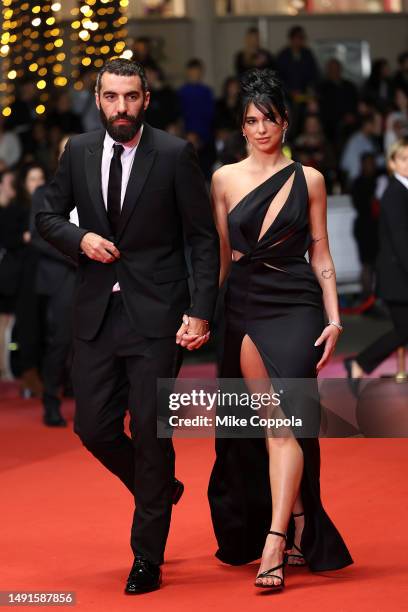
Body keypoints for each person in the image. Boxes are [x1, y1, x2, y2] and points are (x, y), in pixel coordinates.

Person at [36, 58, 219, 594]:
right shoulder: (78, 153)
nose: (122, 107)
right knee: (92, 428)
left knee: (150, 434)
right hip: (95, 312)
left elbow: (203, 240)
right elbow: (45, 216)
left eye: (131, 97)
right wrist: (80, 240)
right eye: (112, 97)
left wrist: (201, 309)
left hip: (158, 318)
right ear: (98, 99)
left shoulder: (174, 154)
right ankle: (158, 488)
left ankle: (147, 557)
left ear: (146, 98)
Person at [208, 69, 352, 591]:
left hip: (297, 304)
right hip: (244, 303)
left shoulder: (310, 178)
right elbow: (221, 257)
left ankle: (274, 539)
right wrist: (201, 312)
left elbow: (322, 252)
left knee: (285, 422)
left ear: (285, 124)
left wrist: (334, 317)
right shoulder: (223, 178)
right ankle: (295, 521)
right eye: (252, 120)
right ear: (241, 127)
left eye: (269, 119)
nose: (261, 128)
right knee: (265, 424)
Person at [344, 138, 408, 390]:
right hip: (399, 277)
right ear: (392, 163)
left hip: (399, 275)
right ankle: (359, 363)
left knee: (404, 330)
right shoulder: (395, 193)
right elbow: (401, 240)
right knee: (404, 330)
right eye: (403, 158)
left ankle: (359, 364)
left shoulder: (401, 190)